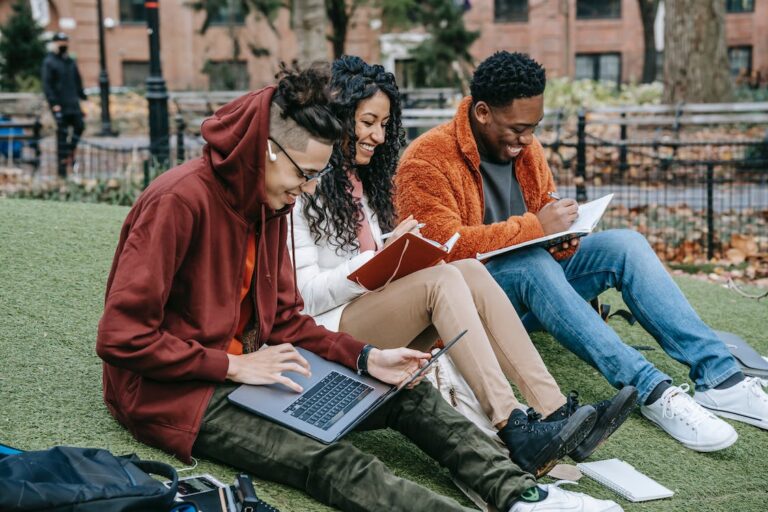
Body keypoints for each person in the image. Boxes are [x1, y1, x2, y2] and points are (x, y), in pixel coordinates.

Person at [96, 63, 622, 512]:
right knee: (326, 459)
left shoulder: (269, 202)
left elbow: (285, 320)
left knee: (405, 392)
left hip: (264, 365)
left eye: (314, 179)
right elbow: (121, 337)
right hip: (183, 394)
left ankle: (523, 497)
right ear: (269, 150)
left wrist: (366, 357)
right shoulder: (176, 203)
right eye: (303, 176)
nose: (304, 192)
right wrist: (234, 365)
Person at [395, 51, 768, 452]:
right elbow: (438, 252)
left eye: (534, 128)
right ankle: (653, 391)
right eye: (518, 129)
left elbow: (543, 208)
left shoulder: (527, 147)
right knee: (528, 262)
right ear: (483, 112)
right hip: (474, 302)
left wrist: (562, 235)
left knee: (625, 244)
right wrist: (536, 229)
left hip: (536, 281)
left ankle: (720, 379)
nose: (526, 140)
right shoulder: (426, 159)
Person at [290, 55, 636, 478]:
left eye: (383, 125)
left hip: (370, 309)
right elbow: (304, 296)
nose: (378, 136)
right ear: (338, 116)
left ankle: (553, 412)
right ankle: (512, 425)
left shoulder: (364, 182)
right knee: (442, 280)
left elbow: (371, 258)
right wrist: (381, 258)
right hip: (327, 331)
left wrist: (395, 251)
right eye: (367, 123)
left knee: (468, 271)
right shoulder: (299, 184)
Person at [41, 32, 86, 178]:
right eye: (60, 42)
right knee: (62, 135)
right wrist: (54, 104)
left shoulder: (70, 61)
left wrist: (83, 98)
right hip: (60, 105)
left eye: (65, 42)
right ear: (55, 43)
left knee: (80, 126)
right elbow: (47, 85)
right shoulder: (49, 62)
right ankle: (61, 171)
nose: (63, 44)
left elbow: (77, 81)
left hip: (73, 104)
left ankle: (69, 153)